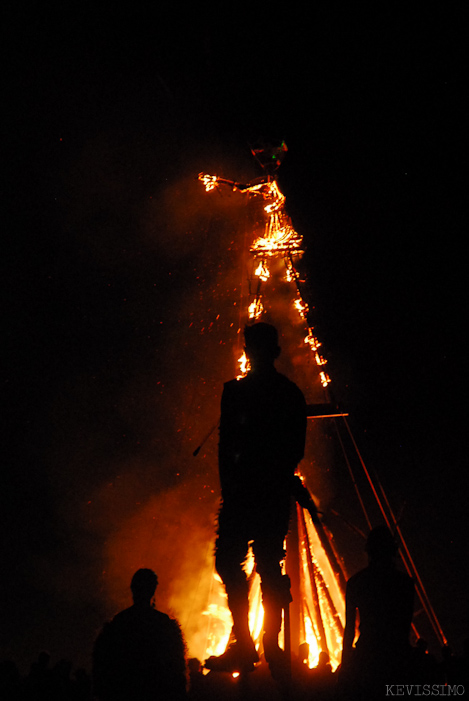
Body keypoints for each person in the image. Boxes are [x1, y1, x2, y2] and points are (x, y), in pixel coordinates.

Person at [206, 322, 307, 676]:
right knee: (264, 568)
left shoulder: (242, 393)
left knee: (248, 566)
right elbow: (294, 449)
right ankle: (262, 643)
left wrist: (236, 485)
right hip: (261, 495)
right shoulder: (286, 393)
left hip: (250, 494)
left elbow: (228, 447)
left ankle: (258, 643)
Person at [340, 526, 415, 699]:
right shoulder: (405, 584)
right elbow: (405, 627)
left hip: (367, 658)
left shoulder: (357, 583)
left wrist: (345, 668)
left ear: (369, 551)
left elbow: (349, 630)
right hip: (396, 659)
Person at [93, 568, 187, 700]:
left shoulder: (118, 623)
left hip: (123, 692)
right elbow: (176, 668)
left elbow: (102, 665)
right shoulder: (164, 624)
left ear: (132, 589)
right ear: (153, 590)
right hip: (156, 692)